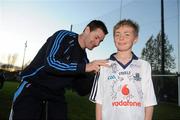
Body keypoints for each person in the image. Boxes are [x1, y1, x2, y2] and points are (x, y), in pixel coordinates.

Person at [9, 20, 108, 120]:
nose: (97, 43)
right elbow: (50, 63)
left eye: (100, 41)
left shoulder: (84, 60)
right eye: (96, 37)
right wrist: (85, 67)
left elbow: (82, 90)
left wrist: (97, 77)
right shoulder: (64, 36)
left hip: (56, 95)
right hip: (32, 88)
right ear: (87, 30)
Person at [89, 19, 157, 120]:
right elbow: (99, 101)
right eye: (117, 34)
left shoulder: (144, 65)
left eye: (127, 34)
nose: (121, 38)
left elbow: (149, 101)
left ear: (135, 39)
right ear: (113, 38)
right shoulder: (103, 65)